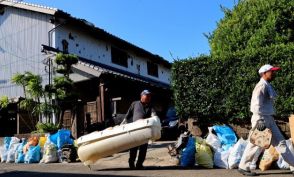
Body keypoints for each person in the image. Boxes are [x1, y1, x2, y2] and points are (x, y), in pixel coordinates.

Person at [238, 64, 294, 176]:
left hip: (268, 118)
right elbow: (255, 105)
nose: (273, 73)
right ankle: (243, 167)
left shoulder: (267, 85)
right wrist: (260, 121)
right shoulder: (261, 86)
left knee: (280, 142)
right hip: (261, 118)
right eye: (271, 71)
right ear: (264, 73)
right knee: (256, 143)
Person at [124, 89, 157, 169]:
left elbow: (154, 115)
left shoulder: (150, 106)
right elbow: (127, 116)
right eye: (147, 95)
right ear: (142, 96)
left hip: (145, 131)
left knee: (143, 149)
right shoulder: (134, 104)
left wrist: (155, 118)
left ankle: (139, 164)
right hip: (135, 130)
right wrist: (125, 125)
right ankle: (131, 164)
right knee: (133, 148)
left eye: (150, 96)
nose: (149, 97)